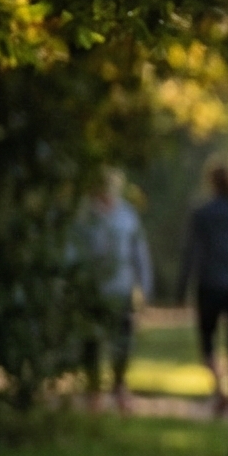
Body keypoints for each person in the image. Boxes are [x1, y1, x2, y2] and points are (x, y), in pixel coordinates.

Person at [76, 170, 152, 413]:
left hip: (121, 288)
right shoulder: (85, 216)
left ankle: (119, 385)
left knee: (122, 339)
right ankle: (94, 390)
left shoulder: (127, 215)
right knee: (91, 341)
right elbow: (74, 252)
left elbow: (139, 251)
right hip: (93, 288)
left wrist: (145, 286)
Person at [178, 163, 228, 416]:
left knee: (208, 341)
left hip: (210, 284)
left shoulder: (203, 213)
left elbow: (191, 252)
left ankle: (220, 390)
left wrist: (181, 288)